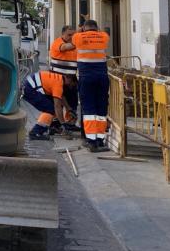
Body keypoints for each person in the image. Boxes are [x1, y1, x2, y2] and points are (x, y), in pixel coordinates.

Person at [73, 19, 110, 152]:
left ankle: (91, 141)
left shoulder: (78, 37)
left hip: (86, 77)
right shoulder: (104, 37)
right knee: (101, 108)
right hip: (102, 77)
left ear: (84, 28)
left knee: (88, 109)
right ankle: (100, 140)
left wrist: (81, 30)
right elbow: (103, 34)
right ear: (97, 27)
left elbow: (75, 37)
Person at [23, 70, 78, 140]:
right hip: (29, 89)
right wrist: (63, 123)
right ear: (69, 79)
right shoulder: (58, 84)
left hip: (29, 86)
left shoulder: (59, 79)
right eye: (71, 84)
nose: (70, 87)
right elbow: (57, 106)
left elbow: (61, 96)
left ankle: (52, 127)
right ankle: (35, 132)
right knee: (50, 109)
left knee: (52, 106)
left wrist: (68, 108)